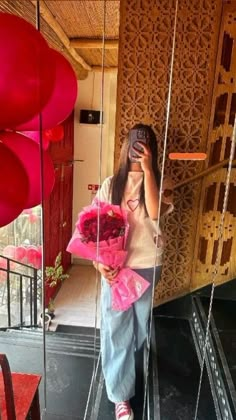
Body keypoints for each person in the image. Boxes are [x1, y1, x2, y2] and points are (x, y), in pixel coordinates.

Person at [93, 123, 174, 420]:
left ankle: (129, 368)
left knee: (138, 328)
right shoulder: (109, 185)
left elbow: (154, 212)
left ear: (151, 147)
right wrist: (98, 262)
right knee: (116, 332)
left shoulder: (161, 183)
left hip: (147, 266)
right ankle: (120, 396)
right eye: (134, 142)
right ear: (125, 145)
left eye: (145, 142)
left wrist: (149, 169)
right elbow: (95, 229)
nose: (138, 147)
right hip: (116, 270)